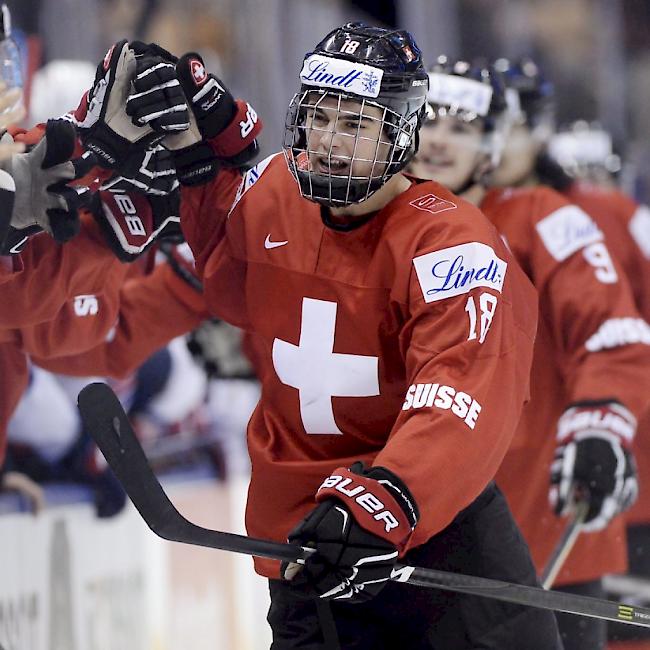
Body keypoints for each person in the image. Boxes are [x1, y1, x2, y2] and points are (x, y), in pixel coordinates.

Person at [89, 26, 565, 648]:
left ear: (400, 131)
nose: (332, 143)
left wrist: (388, 495)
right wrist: (199, 160)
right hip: (306, 541)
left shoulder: (452, 243)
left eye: (357, 124)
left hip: (437, 533)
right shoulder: (274, 189)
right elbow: (231, 279)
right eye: (319, 117)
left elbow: (461, 386)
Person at [408, 56, 650, 650]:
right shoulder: (370, 222)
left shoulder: (544, 220)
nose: (439, 140)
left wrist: (599, 423)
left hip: (543, 532)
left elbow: (612, 334)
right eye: (427, 121)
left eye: (461, 126)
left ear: (490, 143)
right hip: (409, 536)